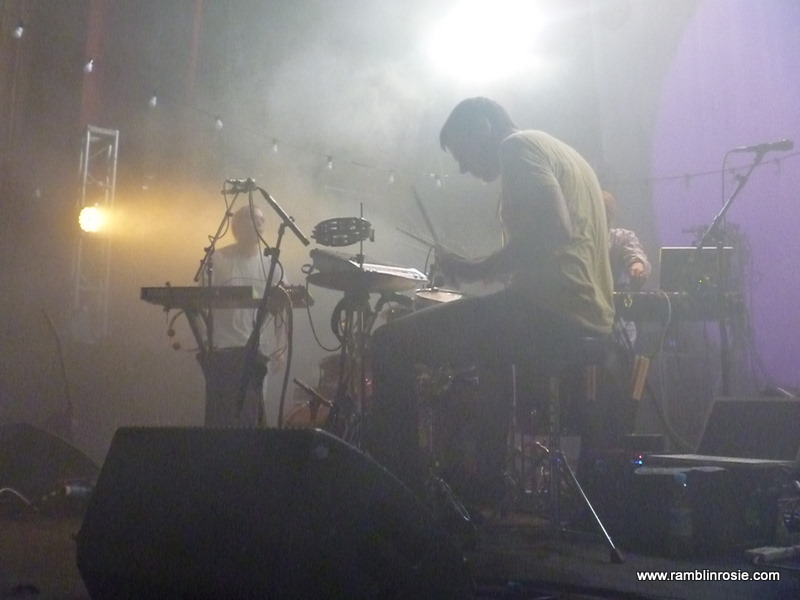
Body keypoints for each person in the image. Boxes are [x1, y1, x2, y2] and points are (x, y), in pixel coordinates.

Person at [365, 97, 615, 501]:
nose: (463, 169)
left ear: (483, 128)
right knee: (489, 352)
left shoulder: (516, 147)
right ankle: (486, 483)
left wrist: (476, 269)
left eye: (461, 154)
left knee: (389, 343)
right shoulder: (563, 153)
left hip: (552, 312)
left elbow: (554, 229)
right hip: (588, 314)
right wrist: (484, 270)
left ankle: (402, 493)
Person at [197, 204, 287, 427]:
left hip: (258, 351)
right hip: (223, 349)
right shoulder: (217, 259)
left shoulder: (272, 265)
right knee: (223, 413)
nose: (259, 224)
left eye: (262, 220)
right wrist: (205, 340)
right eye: (253, 219)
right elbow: (198, 303)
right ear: (237, 225)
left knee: (254, 414)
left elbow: (282, 307)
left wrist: (280, 346)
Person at [602, 190, 651, 348]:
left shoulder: (621, 237)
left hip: (620, 323)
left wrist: (638, 264)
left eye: (608, 216)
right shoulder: (581, 239)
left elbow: (635, 252)